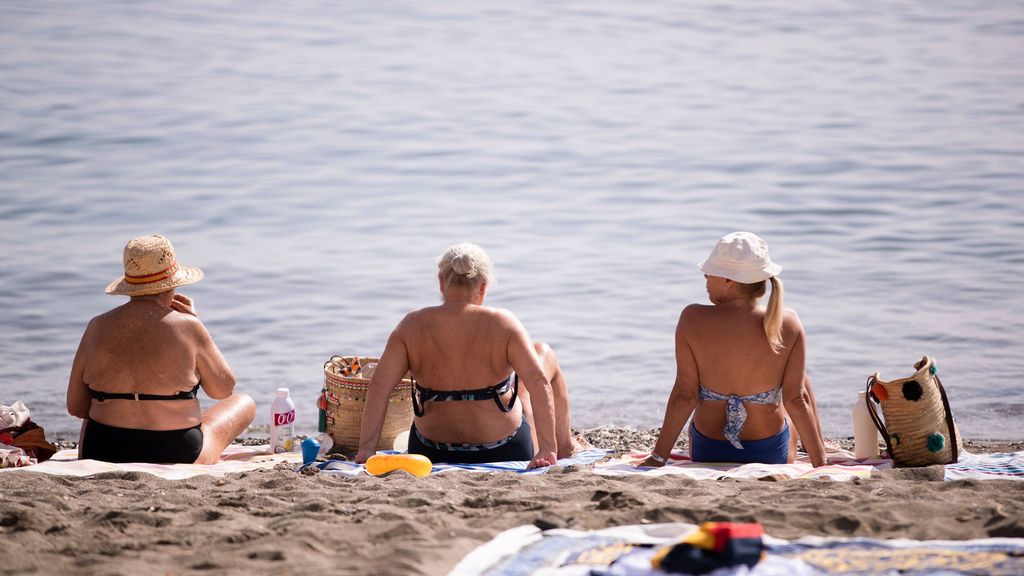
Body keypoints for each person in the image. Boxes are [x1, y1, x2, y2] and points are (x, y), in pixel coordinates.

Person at [355, 242, 584, 469]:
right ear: (483, 287)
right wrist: (546, 450)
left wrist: (366, 449)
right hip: (503, 449)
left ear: (441, 282)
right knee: (542, 355)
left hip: (429, 450)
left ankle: (562, 446)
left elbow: (379, 386)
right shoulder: (503, 323)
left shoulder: (411, 325)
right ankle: (564, 447)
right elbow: (539, 382)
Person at [641, 232, 826, 468]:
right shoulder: (788, 322)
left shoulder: (692, 318)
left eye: (710, 273)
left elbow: (684, 396)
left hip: (708, 450)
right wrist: (821, 466)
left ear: (730, 280)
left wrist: (657, 458)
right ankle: (820, 448)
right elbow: (795, 400)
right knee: (800, 382)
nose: (705, 277)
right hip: (769, 452)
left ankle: (819, 448)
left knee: (795, 381)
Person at [66, 235, 255, 464]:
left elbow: (76, 407)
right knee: (244, 403)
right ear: (172, 285)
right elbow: (224, 389)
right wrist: (198, 326)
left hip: (103, 450)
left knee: (94, 412)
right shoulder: (188, 326)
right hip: (176, 451)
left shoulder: (97, 326)